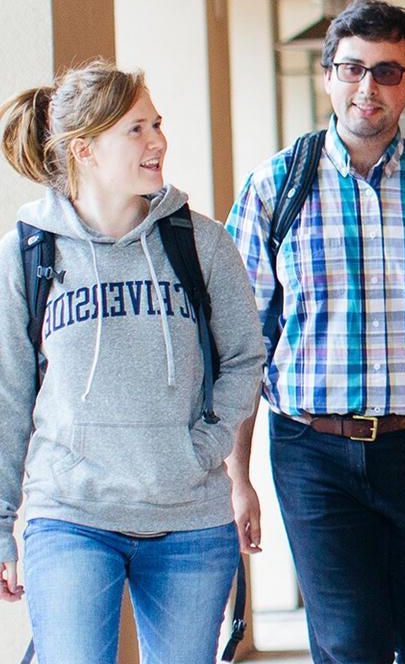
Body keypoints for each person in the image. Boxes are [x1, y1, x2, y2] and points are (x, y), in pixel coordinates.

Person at [226, 0, 405, 664]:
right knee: (351, 644)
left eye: (386, 71)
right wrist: (237, 478)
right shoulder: (273, 189)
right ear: (327, 75)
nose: (367, 87)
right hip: (313, 452)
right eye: (351, 69)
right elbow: (241, 348)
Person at [0, 60, 265, 664]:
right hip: (70, 514)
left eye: (157, 124)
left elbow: (246, 357)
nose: (158, 142)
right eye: (136, 129)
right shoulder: (27, 254)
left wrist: (205, 445)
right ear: (85, 150)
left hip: (189, 520)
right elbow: (8, 394)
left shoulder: (202, 244)